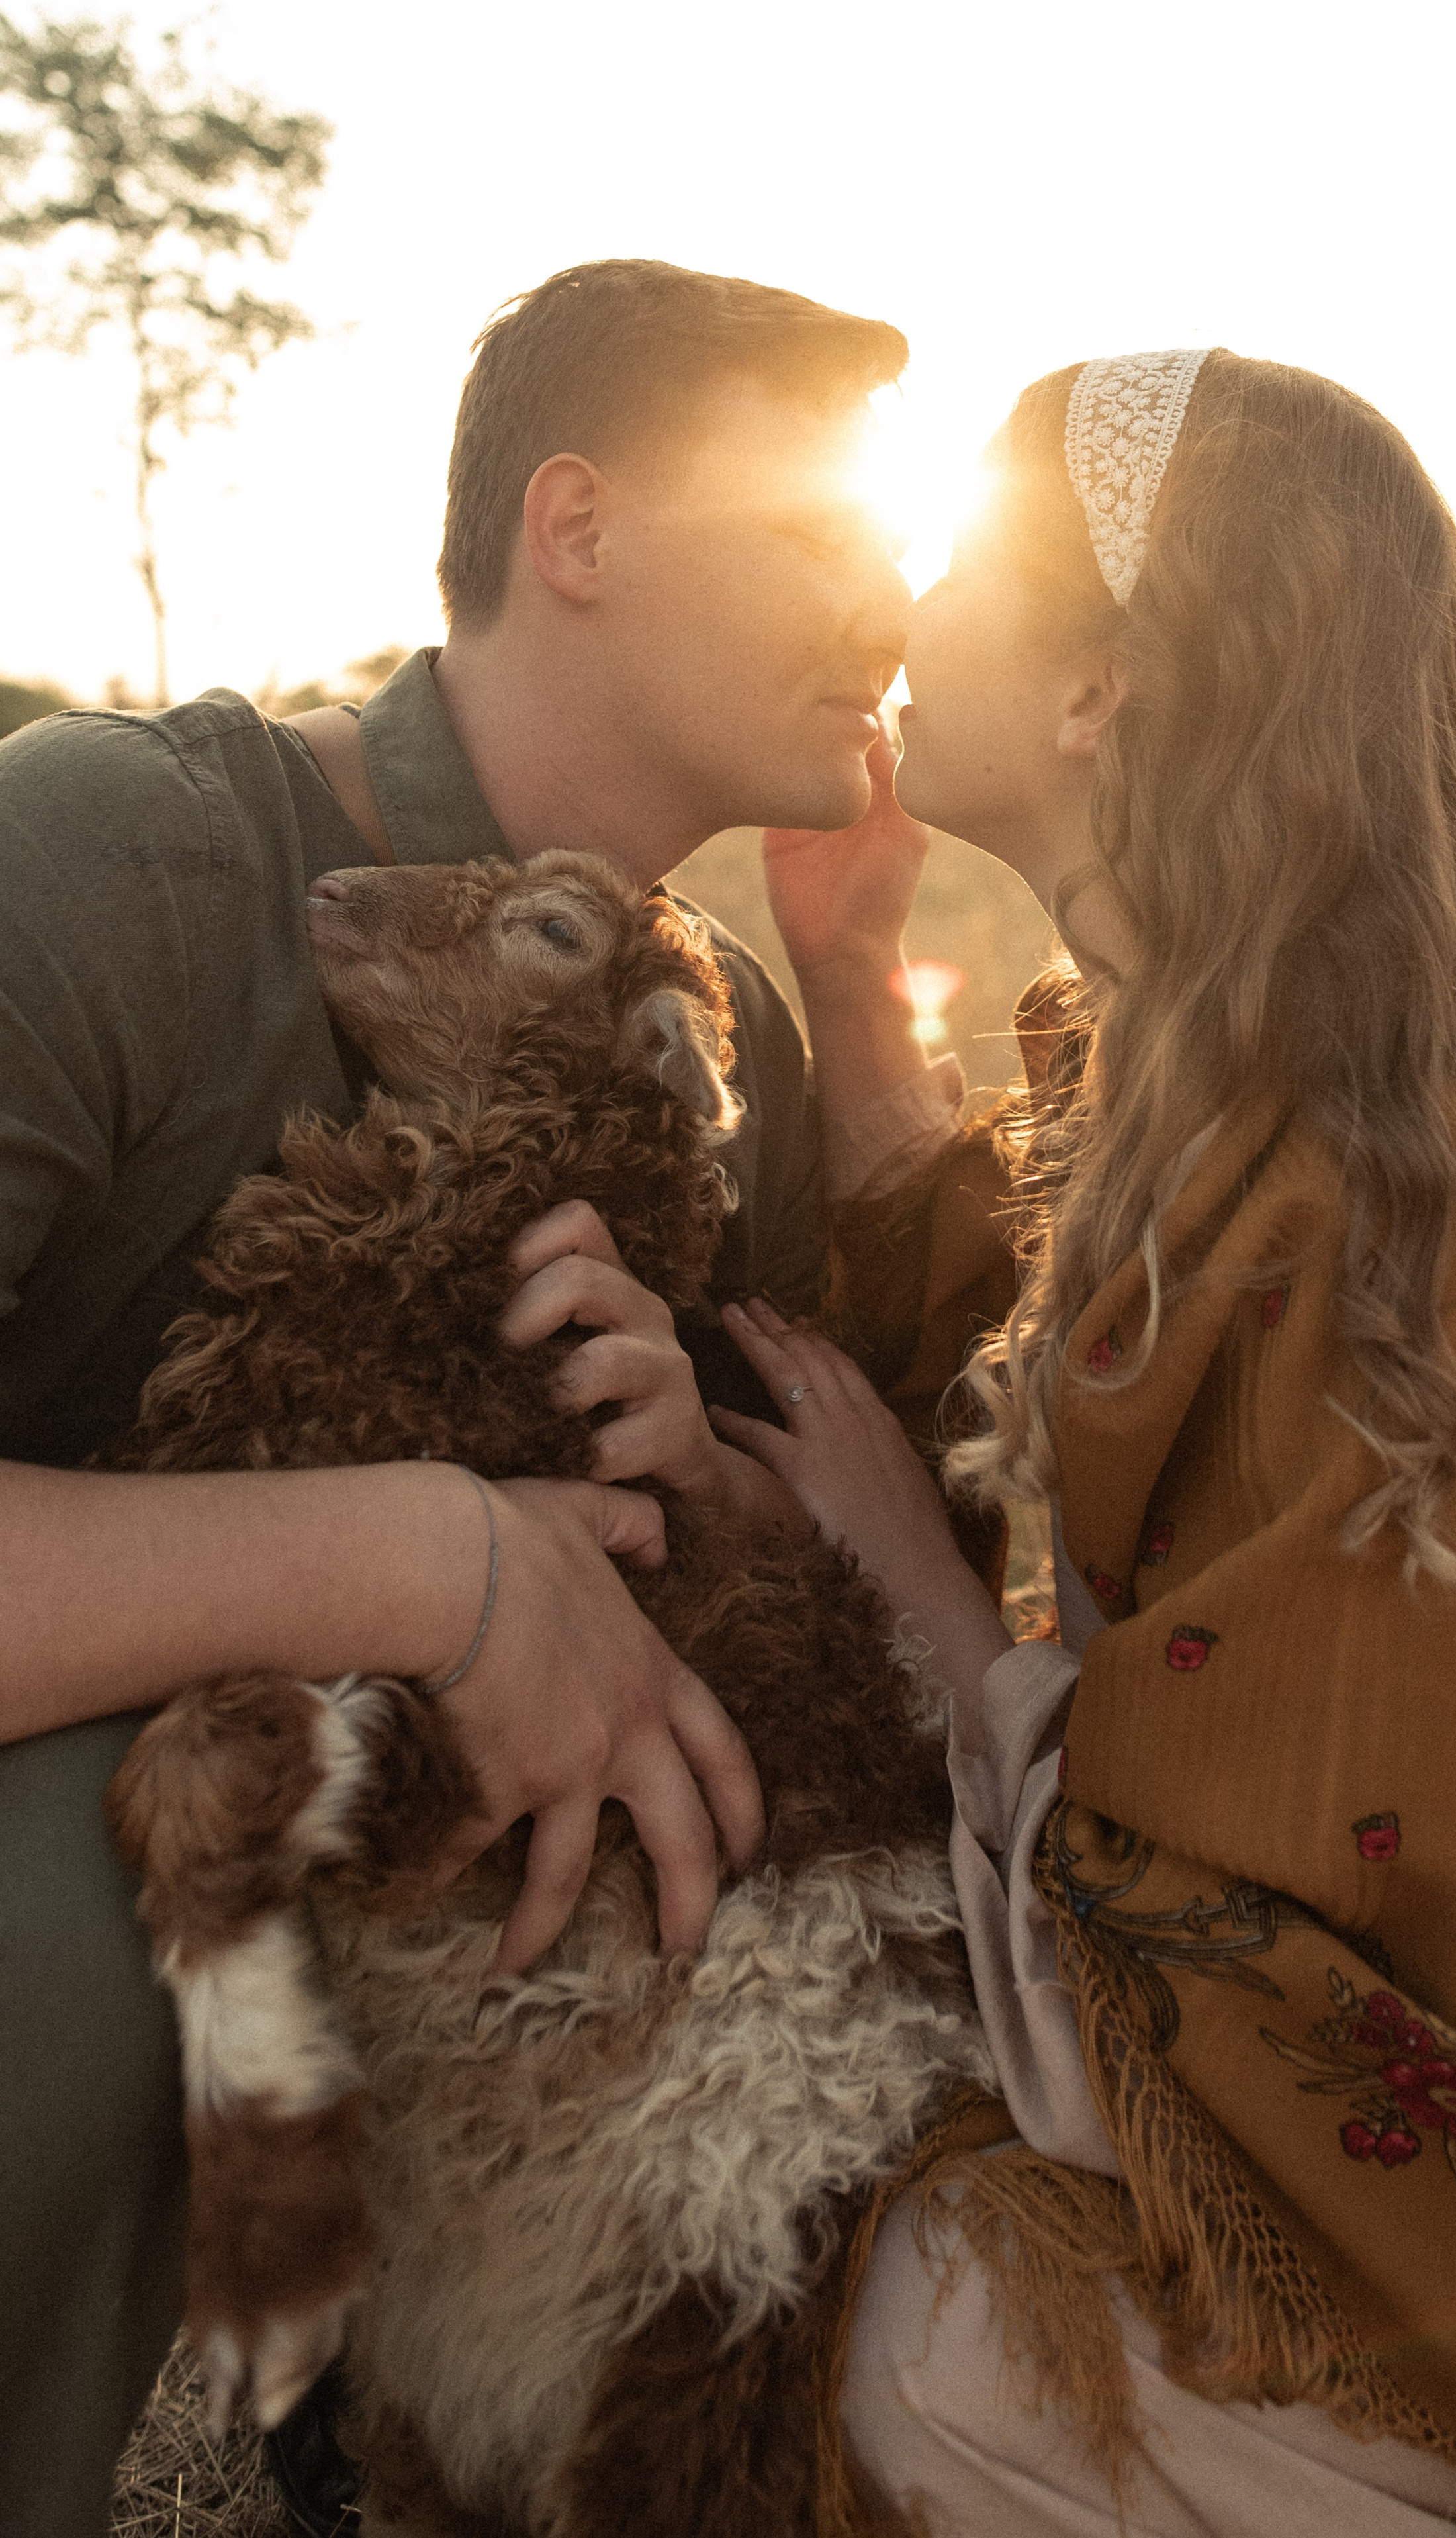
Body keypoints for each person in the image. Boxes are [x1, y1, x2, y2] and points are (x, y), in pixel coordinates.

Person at [715, 350, 1456, 2535]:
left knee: (915, 2325)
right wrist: (859, 986)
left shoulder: (1452, 1217)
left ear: (1103, 692)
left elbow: (1289, 1904)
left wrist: (919, 1587)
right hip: (1409, 2195)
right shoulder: (1243, 1078)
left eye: (962, 551)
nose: (900, 581)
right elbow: (1058, 1318)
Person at [0, 258, 912, 2538]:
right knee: (85, 1905)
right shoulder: (124, 857)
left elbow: (839, 1589)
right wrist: (432, 1558)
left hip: (449, 1981)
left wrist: (868, 994)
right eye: (819, 528)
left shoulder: (736, 1058)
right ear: (575, 531)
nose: (893, 595)